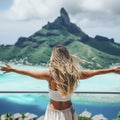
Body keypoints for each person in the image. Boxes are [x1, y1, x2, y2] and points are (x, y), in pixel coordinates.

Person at [0, 44, 120, 120]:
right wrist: (113, 70)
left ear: (54, 58)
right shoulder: (74, 75)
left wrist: (12, 69)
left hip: (53, 113)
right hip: (68, 113)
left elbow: (28, 73)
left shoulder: (50, 75)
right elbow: (95, 72)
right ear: (67, 57)